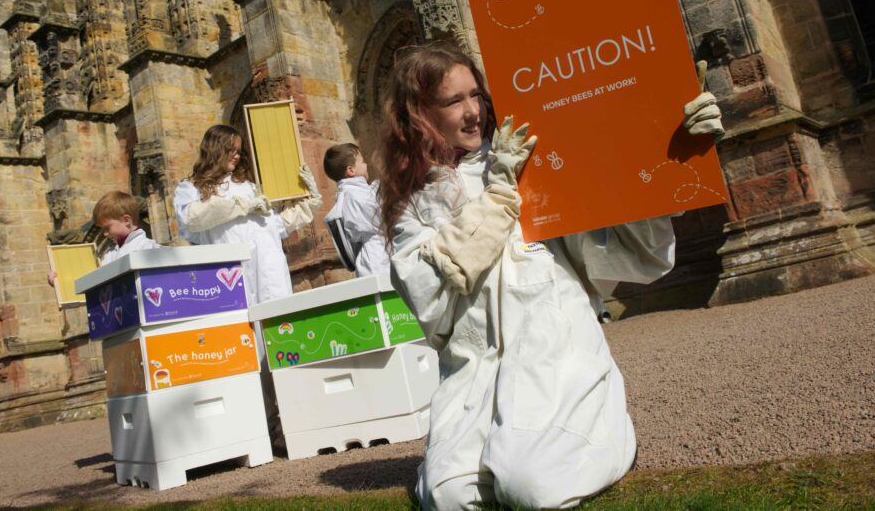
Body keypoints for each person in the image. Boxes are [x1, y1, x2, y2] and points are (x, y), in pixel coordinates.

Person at [378, 42, 724, 510]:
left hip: (552, 351)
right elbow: (428, 291)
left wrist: (675, 145)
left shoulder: (529, 157)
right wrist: (498, 191)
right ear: (419, 114)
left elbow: (613, 221)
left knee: (530, 487)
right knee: (447, 497)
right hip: (475, 368)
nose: (473, 111)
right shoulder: (414, 201)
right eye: (454, 101)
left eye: (476, 95)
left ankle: (611, 439)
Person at [173, 124, 322, 305]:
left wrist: (310, 200)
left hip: (270, 272)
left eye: (239, 151)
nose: (236, 156)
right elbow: (192, 218)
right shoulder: (191, 187)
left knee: (278, 326)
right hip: (231, 275)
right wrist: (243, 206)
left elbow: (277, 225)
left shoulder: (250, 186)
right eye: (231, 150)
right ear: (215, 149)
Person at [47, 191, 158, 287]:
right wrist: (60, 281)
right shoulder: (110, 254)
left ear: (126, 220)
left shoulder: (147, 247)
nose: (105, 234)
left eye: (107, 228)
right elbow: (95, 282)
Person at [322, 143, 389, 277]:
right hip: (377, 261)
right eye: (362, 161)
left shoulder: (355, 192)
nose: (366, 165)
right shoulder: (351, 195)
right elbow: (381, 216)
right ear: (351, 170)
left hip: (381, 254)